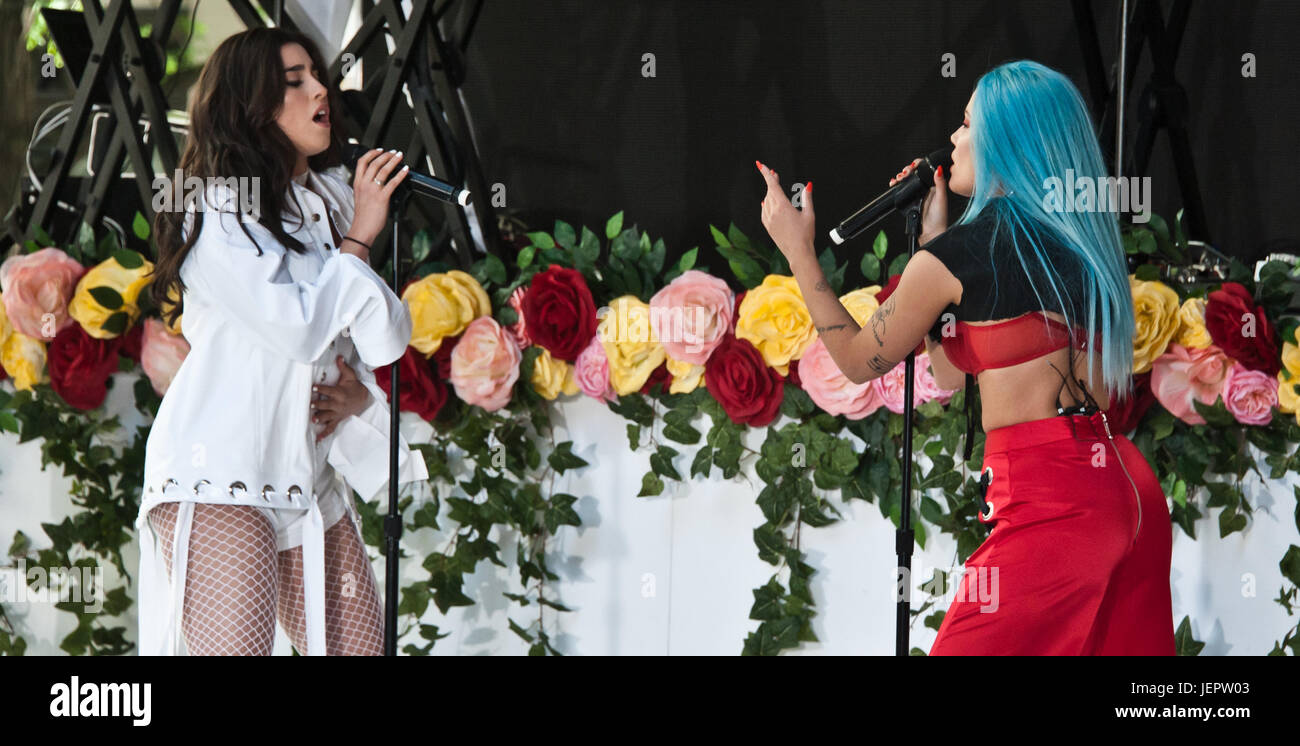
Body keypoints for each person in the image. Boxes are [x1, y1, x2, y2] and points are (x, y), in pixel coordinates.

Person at [756, 59, 1175, 655]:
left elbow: (854, 361)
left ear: (1006, 141)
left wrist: (798, 249)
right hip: (1127, 494)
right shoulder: (1084, 243)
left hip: (1051, 512)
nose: (952, 140)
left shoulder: (961, 255)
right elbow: (953, 369)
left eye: (966, 123)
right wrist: (930, 241)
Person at [137, 28, 429, 655]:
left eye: (316, 75)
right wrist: (357, 241)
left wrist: (357, 397)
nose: (321, 89)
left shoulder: (328, 197)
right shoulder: (214, 205)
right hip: (221, 476)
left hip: (307, 480)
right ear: (251, 104)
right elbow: (297, 327)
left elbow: (386, 339)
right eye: (293, 82)